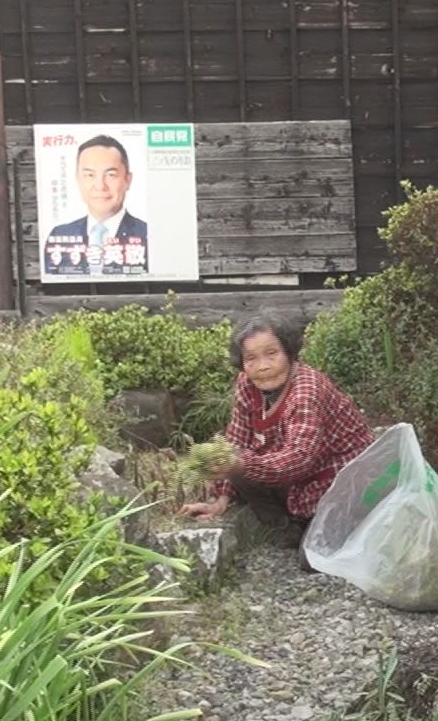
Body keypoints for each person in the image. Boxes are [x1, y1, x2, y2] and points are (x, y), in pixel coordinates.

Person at [182, 314, 375, 565]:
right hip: (296, 482)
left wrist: (243, 463)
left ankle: (324, 526)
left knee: (313, 560)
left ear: (289, 352)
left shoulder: (307, 390)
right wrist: (221, 500)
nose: (262, 366)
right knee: (233, 458)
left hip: (340, 481)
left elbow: (300, 457)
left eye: (271, 353)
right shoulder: (247, 383)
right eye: (251, 358)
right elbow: (237, 437)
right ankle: (289, 526)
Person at [43, 134, 150, 277]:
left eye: (110, 175)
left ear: (128, 180)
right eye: (89, 175)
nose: (100, 186)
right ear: (78, 179)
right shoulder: (61, 235)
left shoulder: (148, 235)